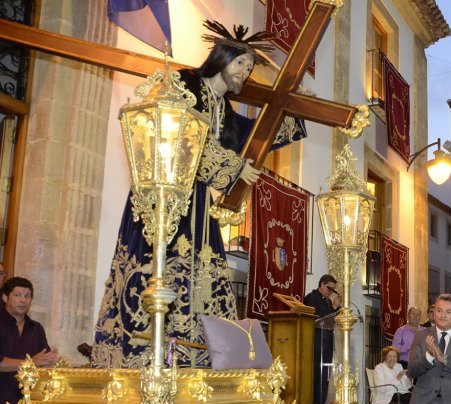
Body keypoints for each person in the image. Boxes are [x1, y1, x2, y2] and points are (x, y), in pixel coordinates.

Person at [94, 21, 305, 369]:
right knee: (156, 271)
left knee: (203, 277)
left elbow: (256, 134)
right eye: (241, 64)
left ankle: (194, 358)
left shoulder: (224, 111)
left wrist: (293, 108)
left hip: (198, 205)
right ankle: (146, 358)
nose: (245, 73)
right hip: (164, 198)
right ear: (221, 58)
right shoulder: (184, 84)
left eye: (249, 68)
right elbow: (178, 130)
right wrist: (234, 167)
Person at [0, 277, 61, 404]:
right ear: (5, 298)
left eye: (27, 296)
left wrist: (50, 361)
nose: (23, 300)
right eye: (18, 295)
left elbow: (41, 362)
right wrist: (31, 363)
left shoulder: (36, 328)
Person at [304, 274, 342, 404]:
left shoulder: (327, 301)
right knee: (317, 378)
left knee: (325, 378)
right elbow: (318, 319)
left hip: (327, 344)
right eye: (330, 289)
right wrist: (334, 307)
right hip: (317, 344)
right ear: (322, 284)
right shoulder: (311, 298)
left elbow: (330, 320)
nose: (331, 293)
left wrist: (337, 308)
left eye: (333, 290)